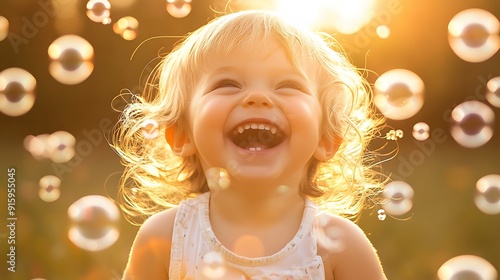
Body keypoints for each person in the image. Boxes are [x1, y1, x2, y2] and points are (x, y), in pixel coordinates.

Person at [112, 9, 388, 280]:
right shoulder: (165, 238)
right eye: (227, 83)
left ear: (326, 139)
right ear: (182, 134)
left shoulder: (340, 247)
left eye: (288, 85)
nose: (257, 96)